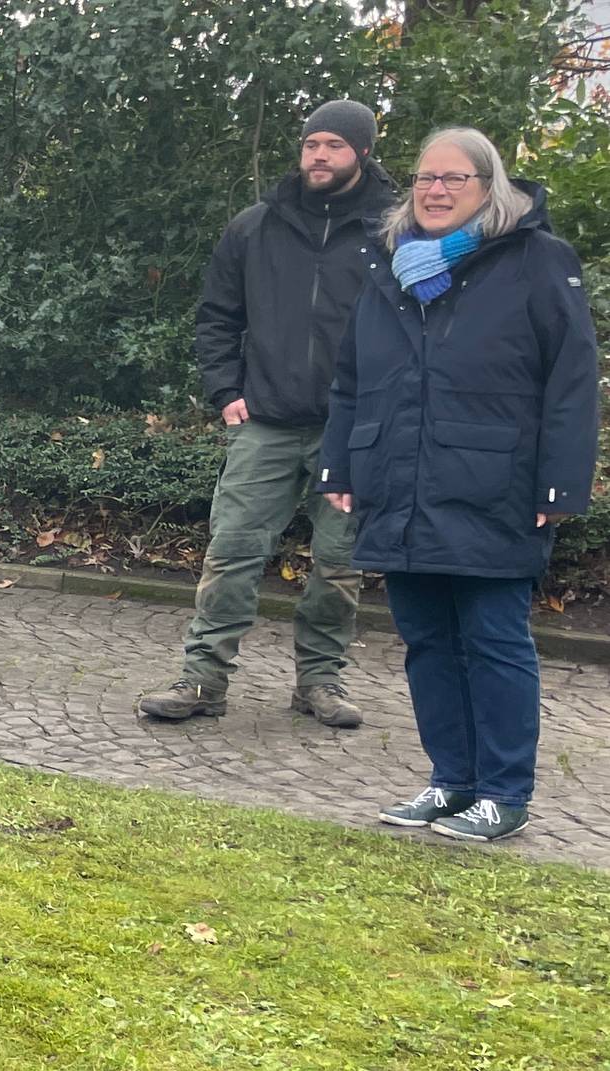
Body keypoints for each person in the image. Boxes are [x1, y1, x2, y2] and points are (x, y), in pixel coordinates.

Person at [323, 126, 598, 842]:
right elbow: (353, 377)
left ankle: (503, 794)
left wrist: (560, 486)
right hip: (399, 482)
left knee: (493, 639)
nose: (437, 190)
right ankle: (452, 781)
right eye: (425, 178)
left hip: (494, 484)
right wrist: (341, 463)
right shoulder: (390, 265)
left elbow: (570, 381)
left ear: (490, 188)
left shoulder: (537, 261)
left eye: (455, 179)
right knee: (427, 642)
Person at [144, 100, 397, 728]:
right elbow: (217, 317)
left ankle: (320, 683)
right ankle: (203, 682)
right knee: (230, 553)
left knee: (338, 567)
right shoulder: (254, 227)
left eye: (334, 145)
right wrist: (224, 389)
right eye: (311, 143)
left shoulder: (396, 232)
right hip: (267, 423)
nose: (318, 155)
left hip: (354, 429)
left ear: (362, 152)